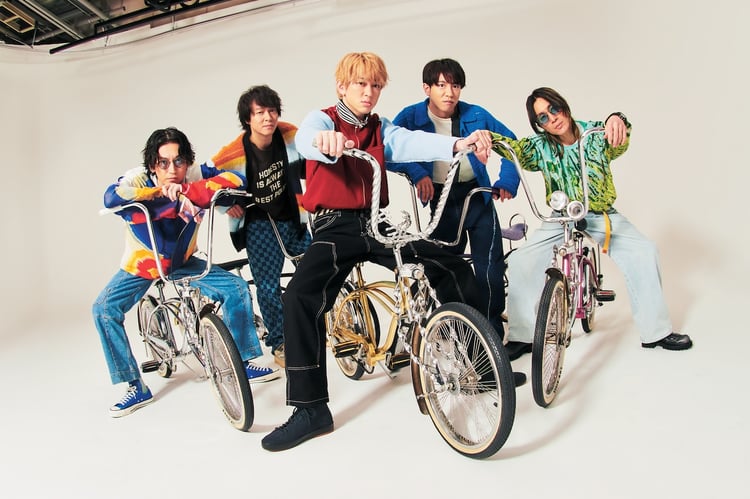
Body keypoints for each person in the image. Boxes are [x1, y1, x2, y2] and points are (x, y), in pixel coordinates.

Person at [260, 52, 500, 452]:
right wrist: (323, 142)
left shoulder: (379, 127)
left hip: (376, 221)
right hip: (334, 225)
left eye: (375, 86)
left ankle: (482, 365)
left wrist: (458, 142)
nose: (369, 92)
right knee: (299, 296)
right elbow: (306, 139)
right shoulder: (322, 120)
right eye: (361, 84)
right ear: (342, 87)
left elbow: (407, 141)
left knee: (448, 263)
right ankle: (310, 409)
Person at [93, 127, 279, 419]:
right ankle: (134, 385)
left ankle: (242, 363)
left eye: (179, 161)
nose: (172, 169)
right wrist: (159, 194)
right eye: (163, 162)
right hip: (143, 264)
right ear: (153, 165)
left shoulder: (194, 176)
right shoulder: (137, 179)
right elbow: (112, 197)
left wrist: (188, 192)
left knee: (236, 289)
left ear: (187, 162)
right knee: (103, 309)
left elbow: (236, 180)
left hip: (183, 261)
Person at [489, 87, 692, 354]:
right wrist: (487, 138)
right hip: (562, 217)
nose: (552, 118)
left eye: (554, 109)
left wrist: (618, 118)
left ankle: (656, 332)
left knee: (643, 252)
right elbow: (514, 149)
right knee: (521, 260)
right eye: (543, 117)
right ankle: (523, 336)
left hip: (599, 214)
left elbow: (619, 140)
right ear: (539, 125)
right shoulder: (539, 147)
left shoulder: (595, 134)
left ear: (564, 106)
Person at [388, 58, 520, 343]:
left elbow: (512, 145)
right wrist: (417, 173)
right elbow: (388, 150)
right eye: (441, 85)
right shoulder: (411, 117)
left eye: (456, 86)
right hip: (442, 201)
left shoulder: (476, 114)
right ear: (427, 88)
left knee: (490, 268)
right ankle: (454, 329)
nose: (449, 93)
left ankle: (491, 334)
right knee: (442, 267)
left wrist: (507, 182)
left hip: (478, 196)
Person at [205, 85, 311, 368]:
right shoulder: (232, 153)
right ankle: (280, 342)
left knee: (314, 271)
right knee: (267, 286)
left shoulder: (289, 135)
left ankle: (311, 327)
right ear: (248, 119)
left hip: (293, 218)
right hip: (259, 225)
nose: (268, 118)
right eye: (260, 112)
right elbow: (204, 181)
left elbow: (314, 158)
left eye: (272, 111)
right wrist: (227, 204)